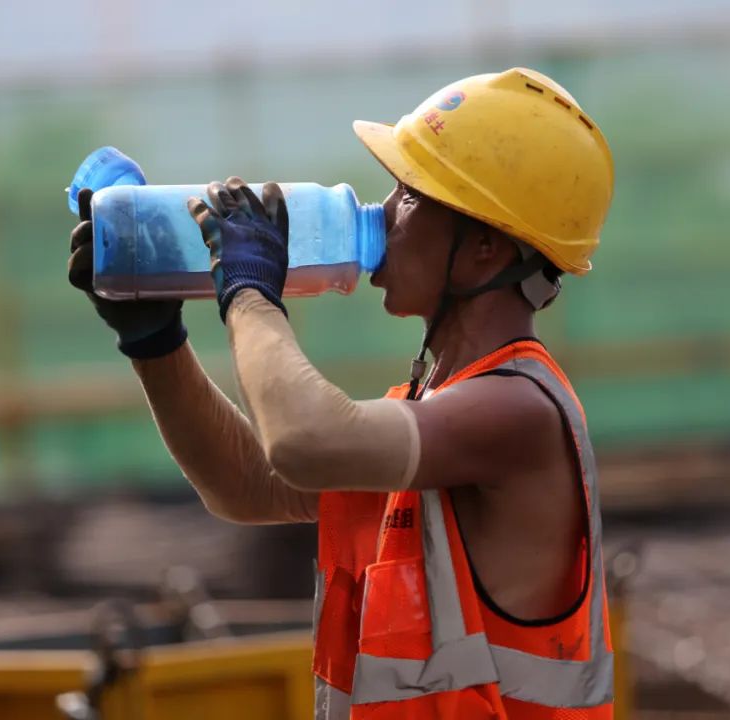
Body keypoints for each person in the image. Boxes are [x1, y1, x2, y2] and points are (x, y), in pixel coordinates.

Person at [67, 67, 615, 719]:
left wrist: (247, 288)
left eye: (410, 195)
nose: (383, 213)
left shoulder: (516, 411)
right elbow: (249, 485)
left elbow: (303, 440)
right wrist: (156, 342)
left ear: (484, 250)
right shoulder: (437, 408)